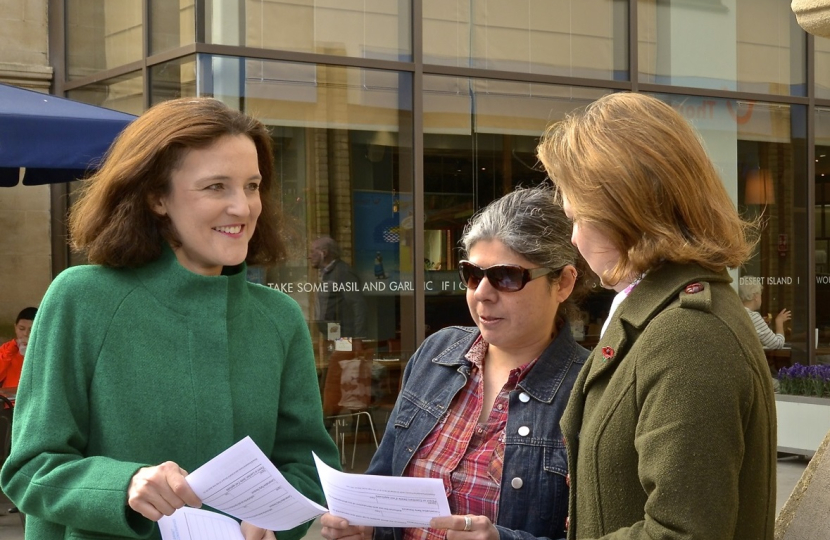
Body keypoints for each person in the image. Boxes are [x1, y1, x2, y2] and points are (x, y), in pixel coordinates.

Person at [0, 98, 340, 540]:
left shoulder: (279, 317)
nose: (243, 207)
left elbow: (309, 467)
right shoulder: (81, 297)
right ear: (156, 197)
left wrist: (275, 519)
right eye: (216, 187)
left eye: (252, 186)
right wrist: (124, 484)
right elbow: (29, 469)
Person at [536, 92, 776, 540]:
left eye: (579, 218)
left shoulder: (690, 333)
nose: (575, 240)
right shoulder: (660, 310)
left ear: (624, 211)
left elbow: (681, 531)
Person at [320, 184, 590, 540]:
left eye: (506, 277)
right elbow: (383, 481)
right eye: (473, 275)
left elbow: (603, 531)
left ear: (563, 283)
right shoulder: (437, 355)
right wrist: (365, 525)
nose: (481, 293)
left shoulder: (590, 389)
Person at [309, 236, 371, 416]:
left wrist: (357, 339)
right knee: (337, 386)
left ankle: (331, 425)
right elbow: (333, 310)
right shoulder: (329, 273)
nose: (310, 256)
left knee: (338, 387)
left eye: (313, 252)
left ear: (324, 252)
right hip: (338, 339)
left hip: (347, 340)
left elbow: (358, 305)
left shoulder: (342, 272)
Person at [739, 278, 791, 349]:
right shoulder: (753, 317)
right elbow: (777, 344)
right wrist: (779, 322)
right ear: (755, 297)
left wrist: (762, 324)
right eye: (760, 294)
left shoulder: (737, 312)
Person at [0, 307, 37, 388]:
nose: (25, 334)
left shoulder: (45, 350)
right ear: (15, 327)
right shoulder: (7, 348)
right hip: (9, 399)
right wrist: (12, 349)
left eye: (31, 330)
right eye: (21, 329)